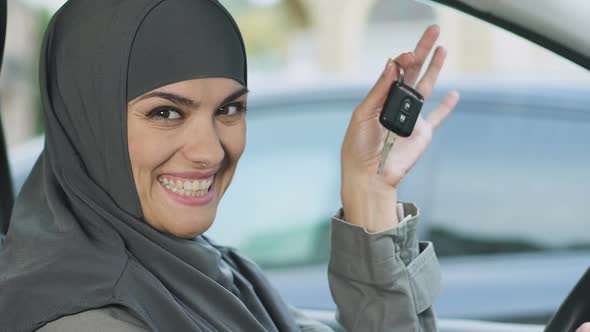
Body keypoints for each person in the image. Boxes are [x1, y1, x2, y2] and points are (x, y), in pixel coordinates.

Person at [0, 0, 461, 331]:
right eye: (166, 113)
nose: (211, 151)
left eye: (229, 110)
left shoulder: (209, 271)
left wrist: (370, 192)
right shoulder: (91, 314)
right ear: (86, 121)